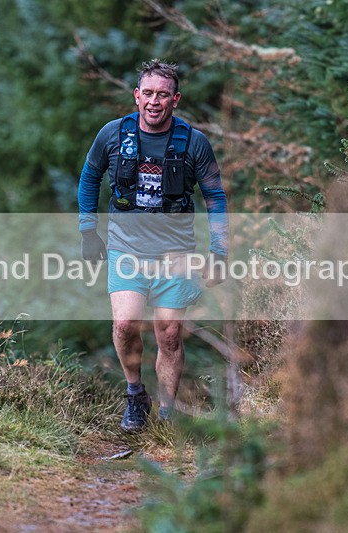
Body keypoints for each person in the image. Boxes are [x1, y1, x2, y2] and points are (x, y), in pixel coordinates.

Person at [77, 59, 228, 432]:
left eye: (163, 95)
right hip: (125, 249)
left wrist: (219, 251)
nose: (154, 102)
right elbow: (89, 178)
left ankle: (165, 411)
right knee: (126, 323)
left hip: (176, 254)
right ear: (136, 96)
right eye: (148, 94)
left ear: (175, 99)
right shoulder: (113, 135)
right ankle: (134, 395)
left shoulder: (194, 143)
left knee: (170, 333)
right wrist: (88, 232)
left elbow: (215, 199)